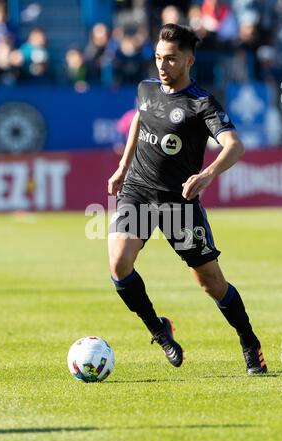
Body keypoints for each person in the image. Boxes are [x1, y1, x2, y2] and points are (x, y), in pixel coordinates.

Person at [108, 23, 267, 375]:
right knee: (119, 264)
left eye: (170, 59)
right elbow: (140, 118)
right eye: (158, 58)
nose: (162, 66)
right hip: (138, 192)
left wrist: (207, 174)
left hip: (178, 204)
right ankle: (160, 331)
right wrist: (122, 166)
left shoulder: (201, 103)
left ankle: (249, 340)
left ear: (189, 60)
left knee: (211, 283)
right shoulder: (146, 88)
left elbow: (234, 146)